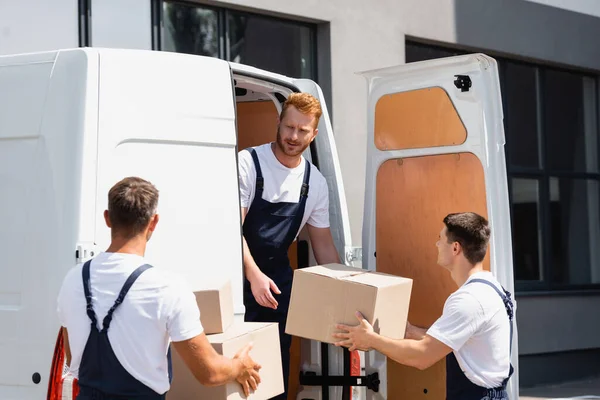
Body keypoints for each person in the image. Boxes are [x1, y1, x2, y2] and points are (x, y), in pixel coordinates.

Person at [57, 177, 261, 399]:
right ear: (153, 222)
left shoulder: (73, 280)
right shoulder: (166, 288)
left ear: (107, 218)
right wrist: (239, 366)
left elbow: (71, 358)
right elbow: (209, 372)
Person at [333, 212, 515, 400]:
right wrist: (412, 332)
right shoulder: (491, 288)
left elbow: (422, 357)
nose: (436, 244)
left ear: (455, 248)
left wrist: (371, 340)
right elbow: (461, 342)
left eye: (440, 239)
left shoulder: (469, 300)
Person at [238, 93, 341, 399]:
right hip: (239, 278)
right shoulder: (249, 163)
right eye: (289, 127)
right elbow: (231, 230)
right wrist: (253, 275)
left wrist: (348, 290)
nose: (293, 136)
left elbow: (323, 247)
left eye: (302, 130)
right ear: (279, 122)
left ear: (314, 134)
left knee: (273, 376)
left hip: (277, 286)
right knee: (239, 372)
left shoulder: (315, 183)